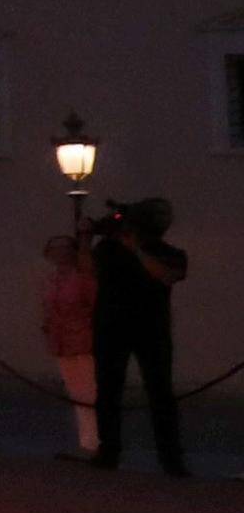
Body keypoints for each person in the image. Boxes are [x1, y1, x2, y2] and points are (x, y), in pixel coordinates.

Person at [84, 199, 189, 476]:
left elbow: (166, 275)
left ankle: (171, 459)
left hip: (151, 329)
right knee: (108, 391)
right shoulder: (108, 250)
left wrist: (137, 251)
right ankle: (109, 452)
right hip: (111, 327)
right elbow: (88, 270)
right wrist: (85, 238)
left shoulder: (170, 253)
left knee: (160, 393)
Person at [43, 230, 101, 459]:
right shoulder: (50, 279)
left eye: (65, 248)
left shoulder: (84, 278)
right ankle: (86, 442)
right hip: (62, 342)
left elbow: (95, 305)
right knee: (76, 394)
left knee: (89, 393)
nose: (60, 253)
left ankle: (96, 442)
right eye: (55, 249)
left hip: (84, 340)